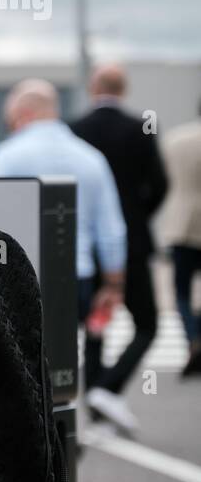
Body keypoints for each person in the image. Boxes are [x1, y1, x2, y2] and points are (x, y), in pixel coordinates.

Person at [0, 79, 133, 432]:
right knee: (65, 358)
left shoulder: (8, 154)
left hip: (21, 273)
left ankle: (37, 433)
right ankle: (63, 425)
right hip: (76, 274)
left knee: (23, 359)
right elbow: (111, 228)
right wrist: (113, 284)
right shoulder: (91, 158)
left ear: (23, 114)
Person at [70, 64, 170, 423]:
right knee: (147, 323)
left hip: (88, 241)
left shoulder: (75, 129)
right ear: (123, 89)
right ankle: (108, 387)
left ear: (92, 87)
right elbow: (159, 183)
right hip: (132, 239)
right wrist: (139, 215)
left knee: (97, 320)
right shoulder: (140, 127)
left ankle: (96, 394)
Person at [160, 98, 201, 376]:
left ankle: (192, 338)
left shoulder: (175, 140)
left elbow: (161, 181)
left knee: (182, 289)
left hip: (182, 219)